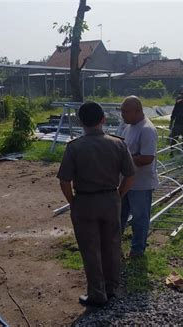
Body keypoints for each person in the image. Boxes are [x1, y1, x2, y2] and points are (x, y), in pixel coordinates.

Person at [57, 101, 135, 307]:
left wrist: (73, 202)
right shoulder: (118, 144)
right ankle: (112, 288)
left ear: (80, 121)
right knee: (112, 245)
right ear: (103, 119)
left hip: (84, 201)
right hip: (110, 200)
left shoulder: (74, 147)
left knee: (90, 249)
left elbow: (64, 181)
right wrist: (119, 194)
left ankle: (97, 293)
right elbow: (130, 175)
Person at [119, 96, 159, 257]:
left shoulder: (147, 129)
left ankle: (137, 249)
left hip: (141, 184)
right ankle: (115, 244)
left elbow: (147, 158)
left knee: (139, 218)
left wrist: (124, 159)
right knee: (119, 215)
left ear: (138, 111)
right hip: (126, 182)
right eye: (122, 112)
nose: (123, 116)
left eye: (126, 112)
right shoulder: (129, 126)